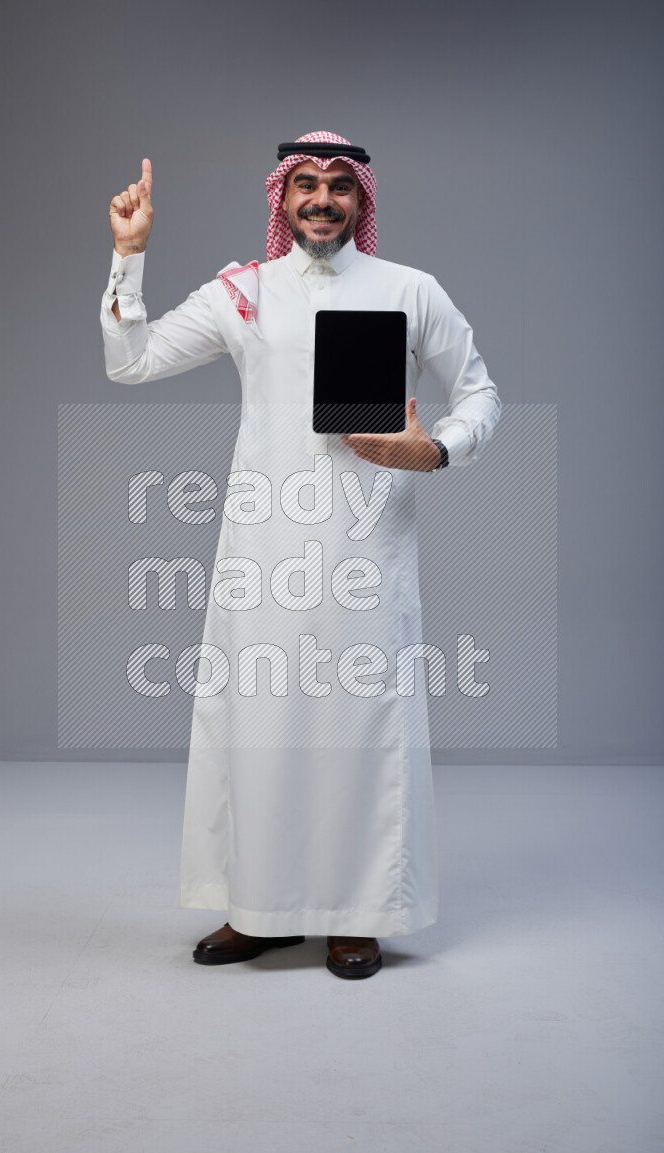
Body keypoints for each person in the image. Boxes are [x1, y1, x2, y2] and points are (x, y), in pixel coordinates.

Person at [101, 131, 500, 980]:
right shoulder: (243, 292)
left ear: (361, 200)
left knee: (357, 727)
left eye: (338, 187)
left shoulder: (409, 290)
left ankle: (356, 915)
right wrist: (128, 258)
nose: (322, 199)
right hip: (262, 547)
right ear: (281, 200)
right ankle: (259, 908)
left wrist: (434, 453)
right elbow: (131, 362)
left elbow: (480, 394)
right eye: (305, 186)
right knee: (261, 728)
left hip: (367, 545)